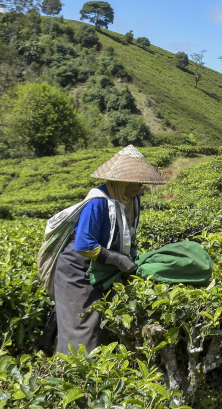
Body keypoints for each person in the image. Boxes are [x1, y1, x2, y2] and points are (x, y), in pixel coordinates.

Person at [54, 145, 165, 355]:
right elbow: (84, 245)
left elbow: (129, 232)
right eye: (136, 182)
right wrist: (116, 259)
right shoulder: (97, 203)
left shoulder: (132, 200)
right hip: (77, 269)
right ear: (121, 181)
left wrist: (131, 254)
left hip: (102, 267)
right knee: (82, 327)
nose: (141, 186)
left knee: (103, 324)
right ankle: (71, 378)